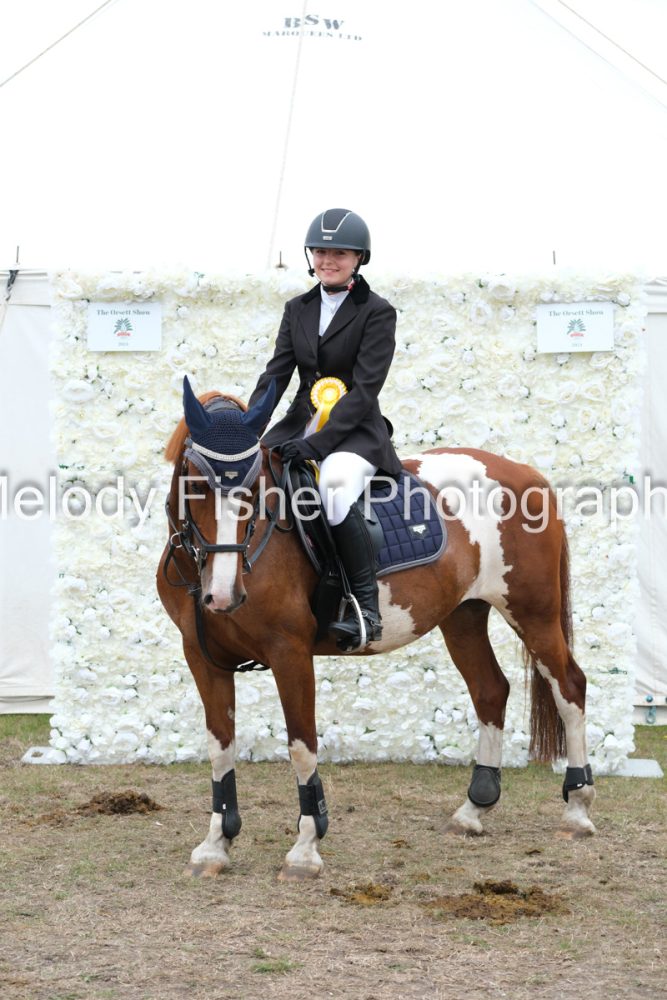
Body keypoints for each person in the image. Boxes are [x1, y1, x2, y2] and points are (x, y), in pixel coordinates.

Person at [247, 208, 402, 649]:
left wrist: (318, 444)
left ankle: (364, 607)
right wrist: (248, 429)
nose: (327, 260)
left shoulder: (377, 312)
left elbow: (365, 390)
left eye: (339, 253)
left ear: (359, 258)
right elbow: (276, 375)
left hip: (355, 433)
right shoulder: (297, 309)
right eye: (319, 251)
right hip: (299, 425)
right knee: (253, 478)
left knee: (333, 489)